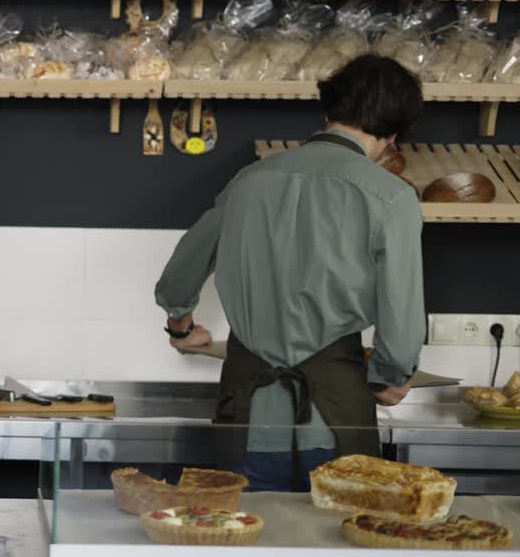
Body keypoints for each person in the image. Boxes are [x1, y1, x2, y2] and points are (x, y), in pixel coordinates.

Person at [152, 54, 426, 492]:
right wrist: (392, 378)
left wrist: (181, 327)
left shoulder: (249, 180)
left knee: (244, 538)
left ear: (327, 112)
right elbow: (402, 307)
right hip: (337, 417)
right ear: (393, 136)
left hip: (246, 416)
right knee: (337, 541)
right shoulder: (391, 197)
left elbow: (180, 274)